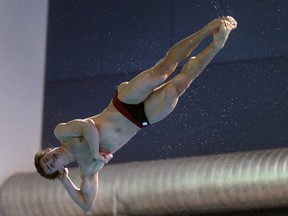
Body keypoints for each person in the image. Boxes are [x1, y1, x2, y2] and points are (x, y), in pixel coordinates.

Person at [34, 16, 237, 212]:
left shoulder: (62, 133)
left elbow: (88, 127)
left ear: (49, 150)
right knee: (178, 86)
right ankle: (216, 46)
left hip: (123, 103)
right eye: (52, 166)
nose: (51, 160)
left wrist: (96, 153)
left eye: (47, 158)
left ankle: (208, 29)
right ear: (59, 169)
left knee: (163, 69)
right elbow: (87, 205)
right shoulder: (88, 169)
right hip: (141, 119)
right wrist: (65, 181)